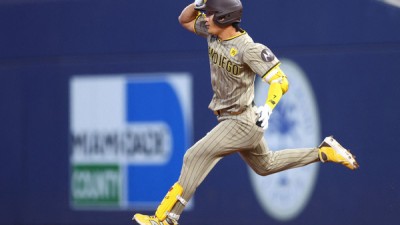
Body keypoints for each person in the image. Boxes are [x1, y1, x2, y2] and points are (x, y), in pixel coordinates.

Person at [133, 0, 359, 224]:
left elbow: (280, 81)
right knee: (266, 165)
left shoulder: (248, 48)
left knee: (193, 156)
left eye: (210, 13)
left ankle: (165, 219)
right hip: (233, 118)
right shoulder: (213, 32)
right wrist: (198, 3)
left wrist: (268, 109)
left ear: (224, 17)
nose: (206, 17)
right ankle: (324, 152)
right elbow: (184, 19)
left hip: (241, 121)